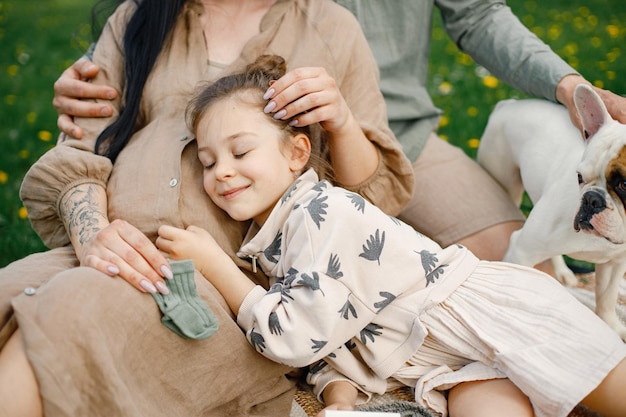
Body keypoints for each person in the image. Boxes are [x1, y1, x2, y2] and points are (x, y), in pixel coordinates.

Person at [0, 1, 414, 416]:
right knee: (11, 293)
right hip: (105, 244)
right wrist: (93, 235)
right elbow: (81, 144)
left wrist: (341, 120)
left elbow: (374, 205)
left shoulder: (329, 26)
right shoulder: (139, 17)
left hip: (217, 281)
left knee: (69, 313)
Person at [156, 54, 626, 417]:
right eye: (208, 162)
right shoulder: (275, 242)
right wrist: (340, 399)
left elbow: (295, 336)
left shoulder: (322, 212)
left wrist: (214, 264)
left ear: (298, 153)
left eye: (240, 151)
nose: (222, 172)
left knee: (611, 387)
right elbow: (329, 345)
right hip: (451, 367)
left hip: (496, 321)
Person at [53, 0, 626, 265]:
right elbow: (180, 30)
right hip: (273, 145)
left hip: (395, 135)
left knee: (513, 262)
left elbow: (477, 15)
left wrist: (568, 84)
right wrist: (98, 68)